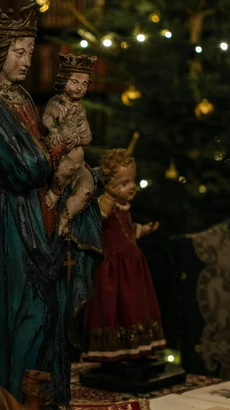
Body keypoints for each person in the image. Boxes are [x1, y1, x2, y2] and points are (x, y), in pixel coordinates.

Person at [0, 1, 102, 408]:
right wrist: (57, 149)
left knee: (50, 308)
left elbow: (39, 153)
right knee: (24, 306)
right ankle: (13, 397)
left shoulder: (22, 95)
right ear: (0, 51)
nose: (27, 61)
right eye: (20, 52)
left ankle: (47, 395)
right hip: (11, 216)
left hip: (41, 208)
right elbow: (25, 166)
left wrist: (52, 156)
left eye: (29, 52)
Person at [82, 149, 166, 362]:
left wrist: (142, 230)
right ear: (108, 184)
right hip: (114, 271)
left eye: (132, 180)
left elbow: (126, 230)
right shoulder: (105, 203)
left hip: (132, 269)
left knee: (135, 306)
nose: (131, 186)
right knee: (116, 307)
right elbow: (100, 216)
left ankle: (136, 348)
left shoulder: (124, 208)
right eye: (124, 183)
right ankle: (115, 352)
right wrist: (109, 194)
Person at [43, 53, 98, 236]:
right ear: (63, 81)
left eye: (84, 84)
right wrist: (54, 130)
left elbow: (88, 136)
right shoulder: (57, 103)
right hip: (62, 159)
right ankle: (53, 194)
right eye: (74, 82)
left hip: (80, 164)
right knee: (66, 169)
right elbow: (47, 117)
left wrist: (78, 140)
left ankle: (65, 219)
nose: (79, 88)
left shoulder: (80, 109)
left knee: (86, 189)